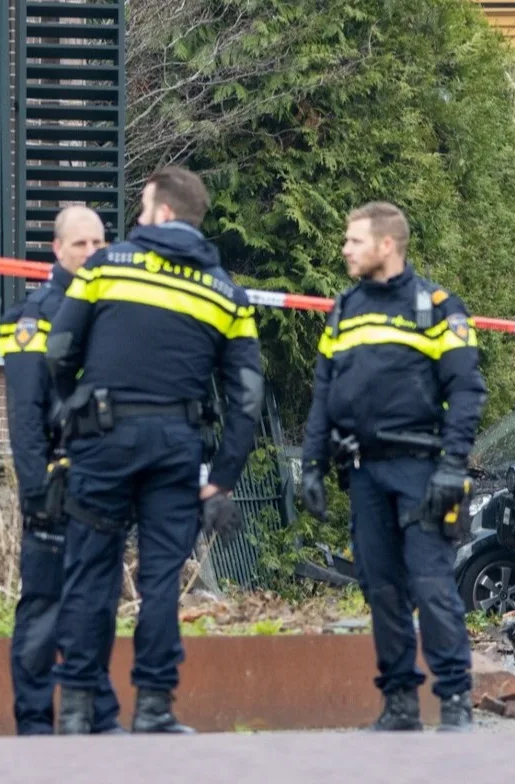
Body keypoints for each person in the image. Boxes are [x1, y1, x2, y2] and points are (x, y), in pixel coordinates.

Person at [45, 166, 264, 734]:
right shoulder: (227, 293)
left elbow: (60, 349)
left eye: (142, 208)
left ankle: (78, 711)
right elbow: (246, 395)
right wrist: (222, 477)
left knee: (91, 572)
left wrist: (76, 406)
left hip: (103, 441)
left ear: (163, 212)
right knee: (162, 577)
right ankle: (153, 708)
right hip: (176, 448)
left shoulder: (106, 266)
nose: (137, 219)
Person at [299, 201, 487, 732]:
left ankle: (455, 702)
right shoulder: (345, 309)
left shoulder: (438, 308)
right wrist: (312, 466)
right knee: (380, 588)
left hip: (423, 470)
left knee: (430, 584)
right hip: (364, 471)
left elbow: (467, 391)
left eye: (354, 240)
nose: (345, 249)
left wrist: (453, 466)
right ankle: (400, 704)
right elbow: (323, 395)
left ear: (386, 245)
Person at [0, 206, 124, 736]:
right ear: (57, 250)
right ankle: (33, 721)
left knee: (97, 604)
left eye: (99, 243)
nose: (92, 253)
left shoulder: (112, 311)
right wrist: (35, 490)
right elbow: (26, 416)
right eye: (80, 245)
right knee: (45, 605)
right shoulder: (34, 317)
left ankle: (99, 715)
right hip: (55, 481)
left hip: (102, 483)